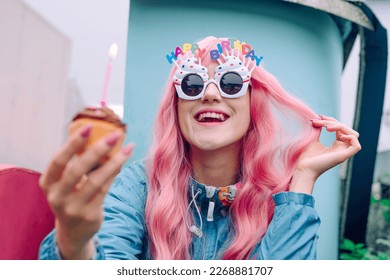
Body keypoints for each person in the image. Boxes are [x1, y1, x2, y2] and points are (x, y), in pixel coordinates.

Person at [38, 36, 361, 260]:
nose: (208, 94)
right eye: (191, 83)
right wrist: (74, 243)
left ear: (253, 105)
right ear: (176, 105)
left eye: (230, 82)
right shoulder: (137, 187)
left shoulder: (279, 203)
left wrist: (302, 180)